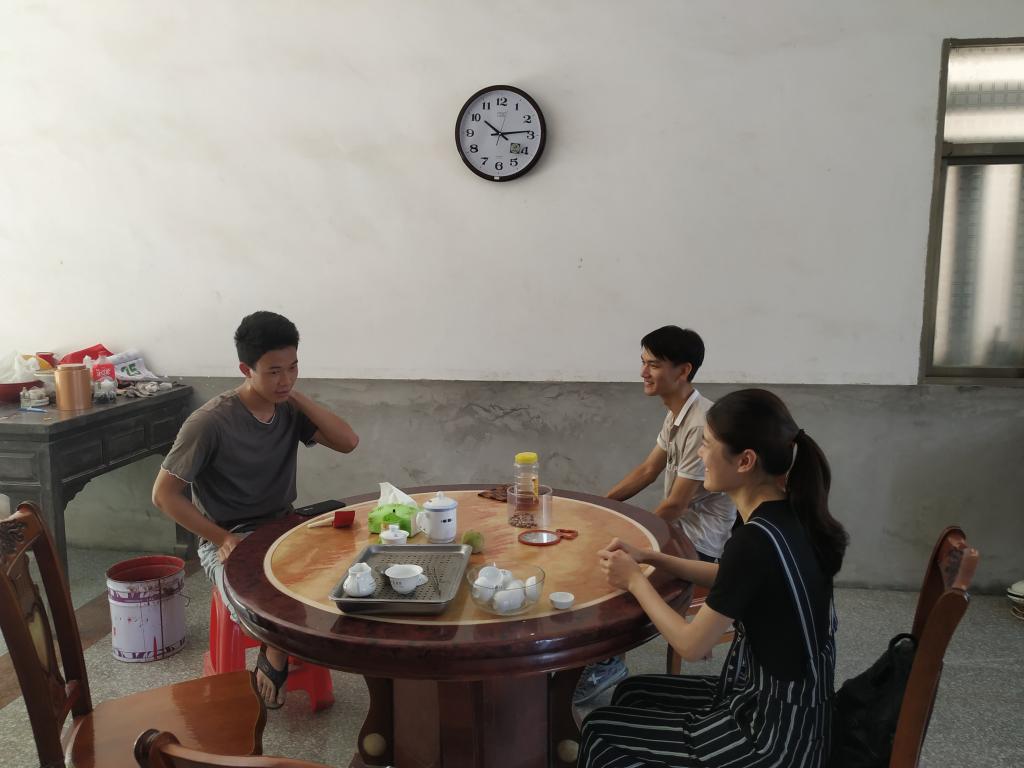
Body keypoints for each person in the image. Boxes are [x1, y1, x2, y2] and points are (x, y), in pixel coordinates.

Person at [578, 388, 848, 767]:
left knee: (599, 731)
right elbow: (731, 576)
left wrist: (635, 580)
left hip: (774, 740)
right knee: (632, 692)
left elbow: (692, 645)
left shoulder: (754, 541)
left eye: (706, 445)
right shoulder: (786, 516)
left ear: (745, 461)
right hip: (799, 716)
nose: (700, 455)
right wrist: (652, 557)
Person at [152, 311, 358, 709]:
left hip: (285, 527)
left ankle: (278, 644)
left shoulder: (288, 407)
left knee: (352, 574)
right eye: (274, 372)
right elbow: (164, 495)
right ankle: (276, 646)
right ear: (246, 370)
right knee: (264, 601)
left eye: (293, 367)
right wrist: (222, 538)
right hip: (229, 537)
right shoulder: (209, 423)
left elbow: (348, 442)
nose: (286, 379)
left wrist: (294, 396)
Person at [575, 326, 736, 705]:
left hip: (698, 545)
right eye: (643, 362)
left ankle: (607, 662)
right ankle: (595, 656)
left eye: (654, 365)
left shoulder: (701, 423)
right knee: (602, 551)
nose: (643, 372)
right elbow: (647, 470)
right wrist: (599, 506)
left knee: (613, 568)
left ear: (684, 370)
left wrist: (633, 537)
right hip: (677, 532)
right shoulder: (678, 414)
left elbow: (675, 505)